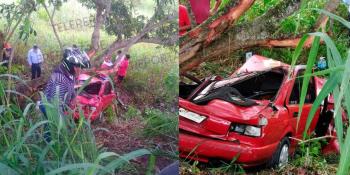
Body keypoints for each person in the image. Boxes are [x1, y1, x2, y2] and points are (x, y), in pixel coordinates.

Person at [39, 47, 91, 142]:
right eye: (81, 67)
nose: (83, 70)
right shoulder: (60, 79)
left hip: (58, 105)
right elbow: (55, 105)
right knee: (52, 129)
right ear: (73, 66)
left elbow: (71, 87)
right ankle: (49, 146)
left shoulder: (69, 74)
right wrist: (62, 121)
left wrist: (73, 97)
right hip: (50, 107)